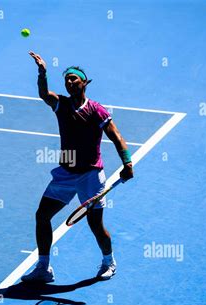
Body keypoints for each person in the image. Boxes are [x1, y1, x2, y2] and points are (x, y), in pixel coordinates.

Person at [21, 51, 134, 283]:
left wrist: (127, 162)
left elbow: (117, 137)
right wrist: (42, 72)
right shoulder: (60, 104)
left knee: (95, 225)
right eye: (67, 79)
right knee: (42, 216)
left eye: (74, 78)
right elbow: (44, 93)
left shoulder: (97, 110)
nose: (69, 82)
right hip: (65, 174)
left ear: (84, 82)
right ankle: (43, 268)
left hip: (91, 176)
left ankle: (108, 261)